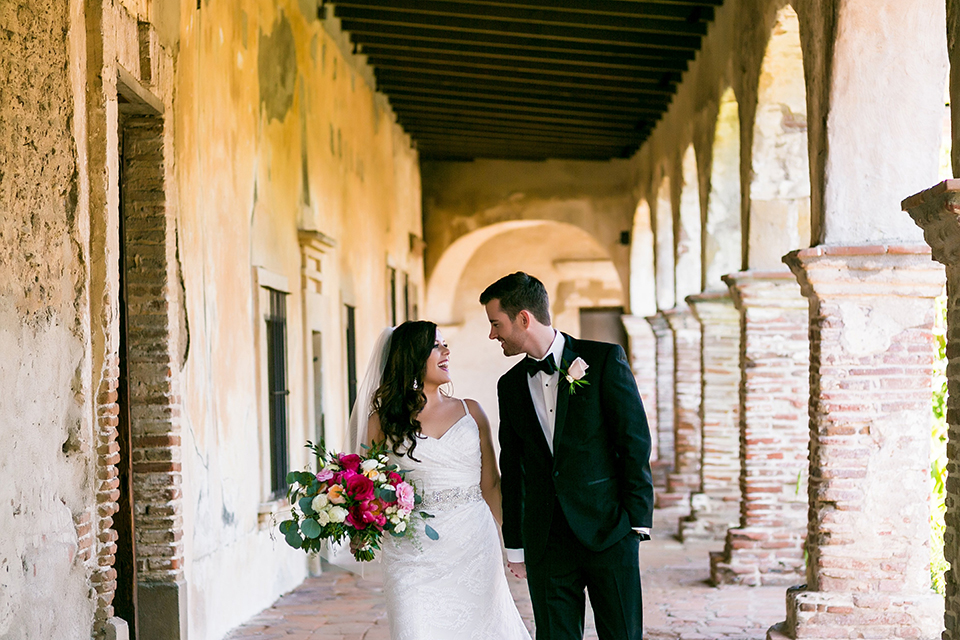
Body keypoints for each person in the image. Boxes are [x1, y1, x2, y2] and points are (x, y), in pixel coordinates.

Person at [481, 272, 654, 640]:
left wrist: (637, 521)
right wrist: (515, 543)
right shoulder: (509, 386)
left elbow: (634, 440)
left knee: (622, 634)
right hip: (546, 542)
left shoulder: (604, 359)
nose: (492, 335)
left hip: (609, 531)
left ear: (524, 318)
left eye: (496, 324)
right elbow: (512, 467)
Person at [353, 320, 531, 640]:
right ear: (412, 356)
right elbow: (367, 484)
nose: (446, 351)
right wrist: (361, 527)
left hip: (474, 544)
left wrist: (517, 544)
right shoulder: (381, 422)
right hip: (410, 552)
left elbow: (490, 485)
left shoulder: (472, 412)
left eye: (445, 344)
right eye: (437, 345)